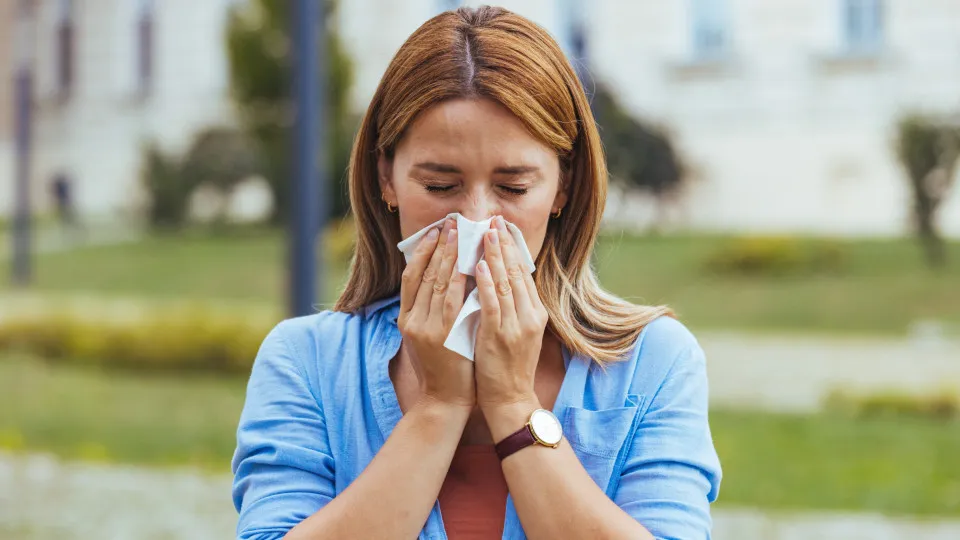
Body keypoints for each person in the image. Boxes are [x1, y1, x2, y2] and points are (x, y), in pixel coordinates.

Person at [232, 6, 721, 539]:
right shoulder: (308, 363)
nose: (475, 221)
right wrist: (438, 407)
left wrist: (514, 403)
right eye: (441, 186)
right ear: (386, 178)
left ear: (562, 186)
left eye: (513, 188)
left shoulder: (652, 364)